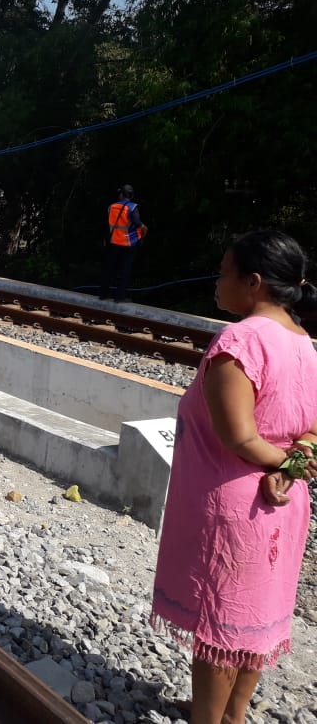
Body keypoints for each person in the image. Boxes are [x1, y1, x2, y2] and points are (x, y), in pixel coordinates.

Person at [149, 229, 317, 724]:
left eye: (224, 273)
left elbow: (238, 437)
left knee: (220, 629)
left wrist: (285, 465)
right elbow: (309, 430)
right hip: (282, 505)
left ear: (255, 283)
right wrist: (295, 463)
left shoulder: (240, 339)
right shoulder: (304, 343)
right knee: (254, 625)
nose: (216, 282)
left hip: (235, 507)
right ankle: (231, 717)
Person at [100, 184, 147, 302]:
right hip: (127, 244)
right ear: (131, 195)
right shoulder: (132, 208)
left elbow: (108, 224)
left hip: (112, 242)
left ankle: (103, 294)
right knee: (124, 271)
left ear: (121, 194)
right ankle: (119, 297)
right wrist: (143, 233)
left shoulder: (111, 207)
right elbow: (139, 225)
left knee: (109, 269)